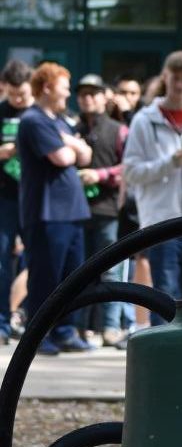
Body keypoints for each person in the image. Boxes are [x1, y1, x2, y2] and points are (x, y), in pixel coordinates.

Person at [123, 50, 182, 317]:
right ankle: (163, 354)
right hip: (162, 221)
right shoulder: (144, 120)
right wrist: (169, 163)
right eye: (176, 77)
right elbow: (131, 172)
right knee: (164, 293)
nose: (181, 84)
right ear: (165, 77)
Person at [16, 62, 93, 354]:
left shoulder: (60, 122)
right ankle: (37, 336)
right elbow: (63, 158)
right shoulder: (33, 120)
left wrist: (70, 142)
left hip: (71, 212)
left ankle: (65, 331)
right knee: (45, 278)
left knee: (73, 277)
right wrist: (73, 145)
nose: (68, 93)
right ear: (47, 87)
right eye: (64, 86)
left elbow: (86, 155)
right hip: (47, 214)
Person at [74, 74, 129, 346]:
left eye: (93, 93)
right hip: (76, 211)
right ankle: (81, 328)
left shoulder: (119, 129)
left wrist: (101, 175)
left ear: (104, 96)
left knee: (110, 270)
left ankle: (110, 327)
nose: (88, 98)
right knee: (79, 273)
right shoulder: (72, 128)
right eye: (83, 94)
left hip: (107, 210)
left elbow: (128, 168)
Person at [0, 60, 33, 345]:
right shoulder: (2, 112)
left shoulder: (39, 113)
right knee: (3, 260)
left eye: (22, 94)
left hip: (36, 197)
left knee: (39, 259)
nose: (18, 100)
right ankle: (2, 322)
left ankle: (33, 318)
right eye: (13, 95)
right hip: (7, 196)